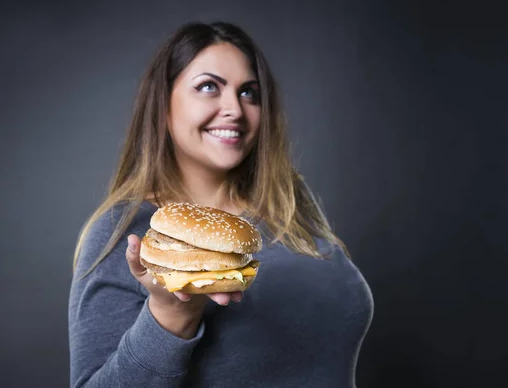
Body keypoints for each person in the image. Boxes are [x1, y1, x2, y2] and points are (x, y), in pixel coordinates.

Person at [68, 21, 374, 388]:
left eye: (249, 93)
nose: (234, 109)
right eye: (209, 87)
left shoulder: (290, 202)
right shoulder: (125, 231)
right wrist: (170, 315)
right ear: (163, 105)